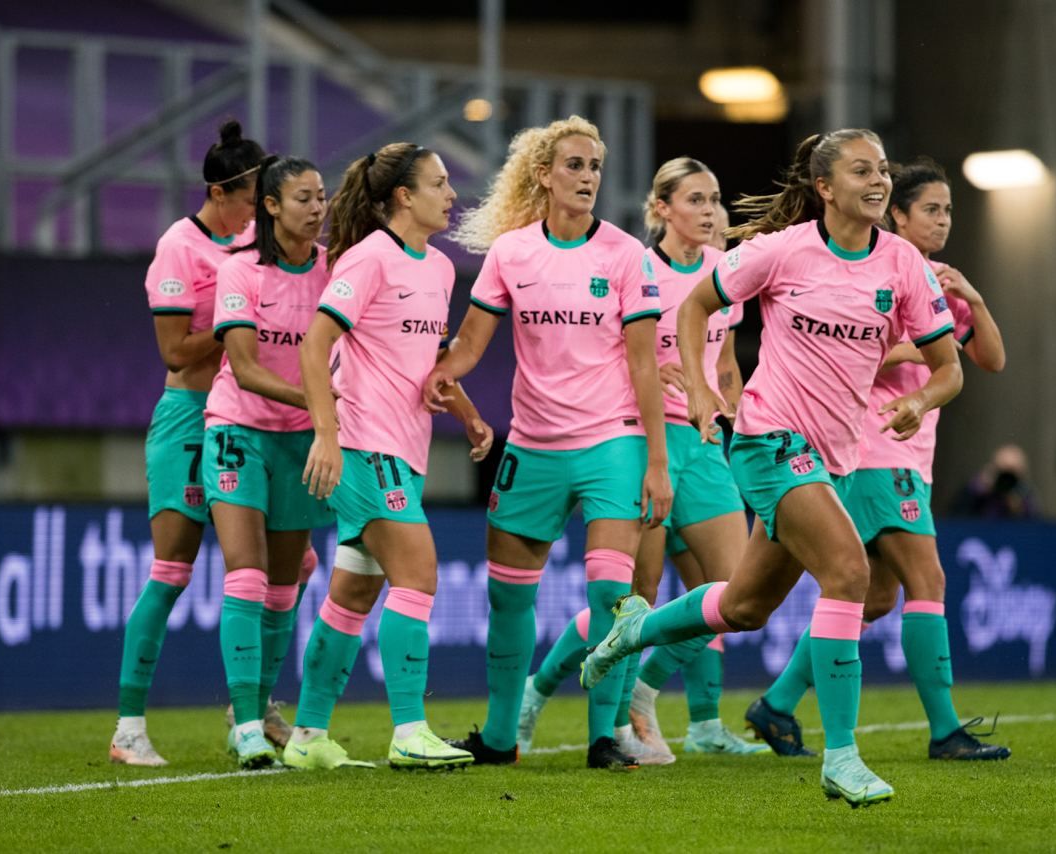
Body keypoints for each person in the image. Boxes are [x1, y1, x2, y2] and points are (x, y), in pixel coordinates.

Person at [581, 128, 963, 806]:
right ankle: (842, 757)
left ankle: (631, 631)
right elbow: (699, 304)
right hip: (769, 440)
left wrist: (921, 401)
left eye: (881, 169)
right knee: (850, 573)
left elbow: (950, 368)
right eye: (859, 170)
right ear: (824, 187)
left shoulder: (902, 264)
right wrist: (701, 390)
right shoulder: (783, 251)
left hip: (836, 459)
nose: (878, 181)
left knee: (744, 605)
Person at [424, 115, 672, 771]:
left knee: (610, 600)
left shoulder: (625, 254)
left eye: (594, 166)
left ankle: (603, 739)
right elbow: (472, 344)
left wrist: (656, 461)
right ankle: (501, 739)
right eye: (574, 165)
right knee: (509, 596)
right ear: (544, 175)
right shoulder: (512, 253)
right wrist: (438, 370)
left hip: (610, 443)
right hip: (531, 446)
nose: (587, 177)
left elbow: (644, 365)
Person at [744, 157, 1011, 763]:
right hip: (872, 447)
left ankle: (778, 703)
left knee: (877, 597)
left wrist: (971, 296)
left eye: (948, 210)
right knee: (927, 581)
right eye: (931, 210)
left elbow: (988, 359)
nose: (942, 222)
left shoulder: (929, 280)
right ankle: (944, 729)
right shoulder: (876, 270)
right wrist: (918, 357)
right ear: (898, 214)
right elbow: (861, 354)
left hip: (908, 452)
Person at [513, 161, 764, 763]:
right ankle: (552, 698)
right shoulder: (638, 268)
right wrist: (654, 372)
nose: (708, 211)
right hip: (643, 443)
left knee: (735, 594)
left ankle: (653, 700)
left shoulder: (722, 274)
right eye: (695, 200)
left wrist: (733, 410)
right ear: (661, 209)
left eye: (714, 199)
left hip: (703, 452)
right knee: (636, 596)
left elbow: (725, 359)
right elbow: (618, 354)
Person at [294, 142, 493, 771]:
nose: (452, 195)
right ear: (404, 196)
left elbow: (426, 364)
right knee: (420, 574)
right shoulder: (369, 259)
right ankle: (410, 730)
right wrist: (325, 432)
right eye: (439, 183)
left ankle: (307, 738)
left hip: (402, 449)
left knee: (351, 595)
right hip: (361, 444)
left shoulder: (435, 269)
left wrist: (465, 412)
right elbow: (313, 344)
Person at [111, 120, 274, 767]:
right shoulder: (179, 246)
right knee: (173, 570)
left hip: (245, 419)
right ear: (221, 190)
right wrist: (236, 323)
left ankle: (251, 710)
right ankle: (128, 727)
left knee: (281, 568)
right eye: (252, 195)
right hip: (189, 414)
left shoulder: (256, 243)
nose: (258, 208)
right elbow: (176, 351)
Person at [201, 154, 336, 769]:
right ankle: (250, 725)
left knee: (283, 592)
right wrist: (318, 399)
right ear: (272, 206)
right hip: (239, 430)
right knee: (247, 577)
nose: (317, 207)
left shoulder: (336, 271)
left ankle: (251, 712)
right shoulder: (240, 271)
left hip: (301, 441)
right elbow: (247, 369)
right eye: (304, 198)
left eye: (323, 197)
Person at [953, 443, 1039, 518]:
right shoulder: (979, 490)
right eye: (1003, 472)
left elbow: (1035, 527)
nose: (1006, 479)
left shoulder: (1025, 495)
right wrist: (978, 488)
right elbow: (955, 518)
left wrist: (1018, 507)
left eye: (1012, 473)